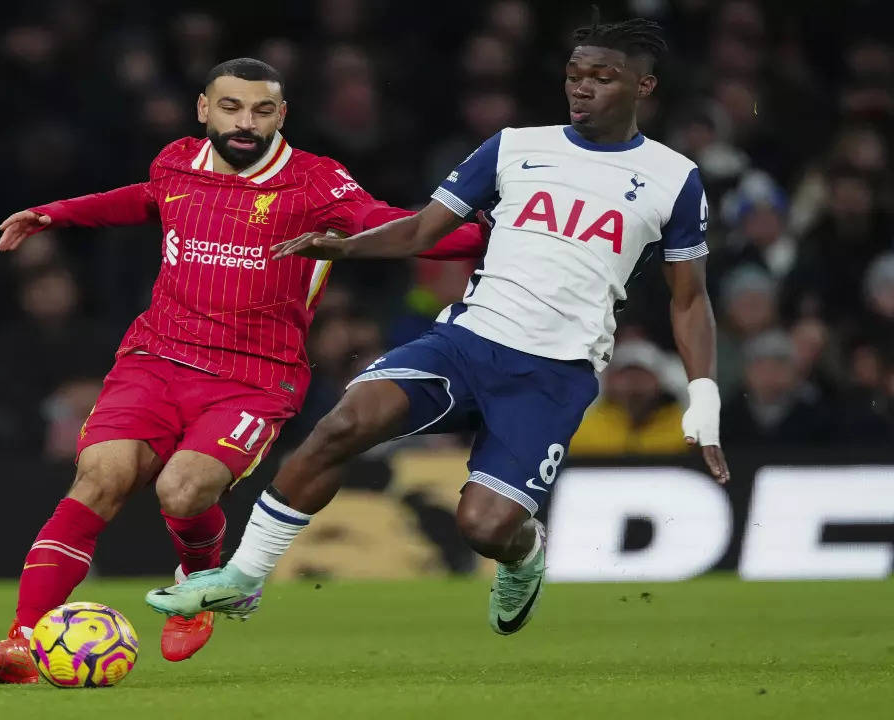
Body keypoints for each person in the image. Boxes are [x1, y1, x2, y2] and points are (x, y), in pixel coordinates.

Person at [148, 17, 730, 638]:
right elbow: (424, 229)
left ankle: (525, 550)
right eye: (574, 74)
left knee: (484, 527)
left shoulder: (675, 180)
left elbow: (689, 300)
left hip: (553, 373)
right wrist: (343, 248)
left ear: (644, 86)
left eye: (602, 77)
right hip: (466, 342)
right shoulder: (514, 146)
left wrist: (704, 393)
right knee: (344, 423)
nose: (581, 88)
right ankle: (242, 579)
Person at [0, 58, 488, 681]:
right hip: (155, 358)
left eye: (262, 110)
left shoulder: (316, 183)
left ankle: (202, 579)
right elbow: (146, 200)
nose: (246, 122)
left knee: (182, 490)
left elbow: (392, 227)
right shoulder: (177, 160)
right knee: (98, 478)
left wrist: (491, 236)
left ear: (281, 116)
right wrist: (59, 213)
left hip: (256, 376)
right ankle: (22, 643)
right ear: (204, 109)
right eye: (232, 107)